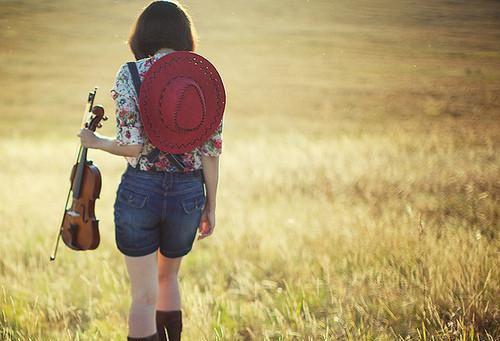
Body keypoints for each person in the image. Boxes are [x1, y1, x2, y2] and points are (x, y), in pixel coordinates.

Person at [78, 1, 225, 340]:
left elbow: (132, 146)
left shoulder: (130, 73)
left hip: (140, 192)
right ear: (185, 35)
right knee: (168, 279)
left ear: (142, 34)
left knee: (143, 297)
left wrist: (95, 140)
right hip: (188, 192)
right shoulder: (203, 78)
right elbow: (211, 152)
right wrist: (211, 205)